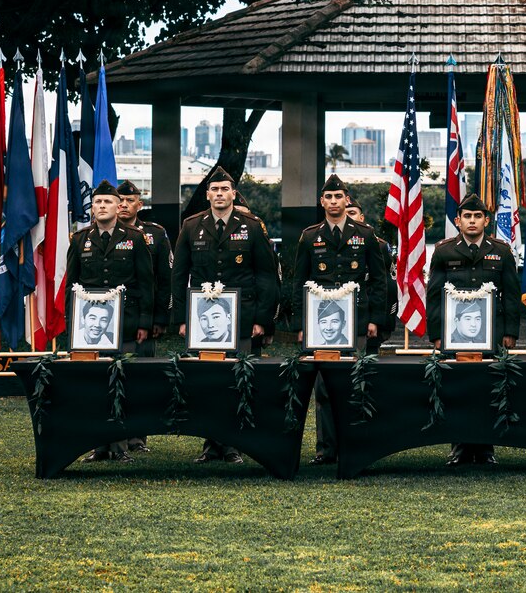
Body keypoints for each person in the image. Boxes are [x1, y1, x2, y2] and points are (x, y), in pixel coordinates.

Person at [172, 166, 279, 464]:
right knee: (209, 382)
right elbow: (179, 275)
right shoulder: (191, 226)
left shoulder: (252, 226)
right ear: (207, 195)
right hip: (204, 320)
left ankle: (234, 443)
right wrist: (181, 319)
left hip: (243, 318)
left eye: (224, 190)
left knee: (238, 381)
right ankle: (210, 443)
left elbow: (266, 277)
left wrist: (262, 319)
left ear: (233, 194)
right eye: (214, 190)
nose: (219, 194)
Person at [292, 174, 387, 465]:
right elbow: (299, 282)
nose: (334, 202)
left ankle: (355, 446)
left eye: (339, 197)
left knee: (355, 383)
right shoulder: (310, 236)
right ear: (322, 202)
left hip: (356, 320)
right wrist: (299, 324)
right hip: (321, 324)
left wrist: (375, 319)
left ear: (347, 200)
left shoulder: (366, 234)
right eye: (328, 197)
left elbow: (380, 280)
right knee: (323, 386)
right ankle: (326, 449)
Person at [427, 193, 520, 466]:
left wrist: (511, 332)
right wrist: (436, 335)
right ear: (458, 220)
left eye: (477, 216)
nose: (471, 221)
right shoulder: (444, 251)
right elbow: (434, 295)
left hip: (492, 332)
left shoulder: (501, 251)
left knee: (488, 388)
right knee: (458, 389)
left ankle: (486, 448)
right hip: (455, 336)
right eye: (467, 216)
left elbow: (512, 295)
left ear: (486, 220)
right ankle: (460, 448)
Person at [67, 180, 155, 463]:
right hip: (90, 328)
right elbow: (72, 284)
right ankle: (100, 445)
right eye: (97, 203)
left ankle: (119, 446)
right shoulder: (80, 240)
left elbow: (146, 283)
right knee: (97, 384)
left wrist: (144, 321)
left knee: (122, 384)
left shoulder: (135, 237)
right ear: (92, 208)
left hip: (125, 323)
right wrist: (72, 326)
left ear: (119, 207)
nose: (101, 207)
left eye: (107, 202)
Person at [116, 180, 173, 355]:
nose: (124, 205)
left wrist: (160, 318)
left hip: (145, 313)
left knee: (142, 369)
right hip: (107, 311)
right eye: (120, 200)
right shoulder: (100, 234)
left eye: (130, 200)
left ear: (139, 205)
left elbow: (165, 279)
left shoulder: (155, 233)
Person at [345, 199, 397, 353]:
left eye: (352, 213)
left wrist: (381, 323)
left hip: (369, 320)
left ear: (361, 218)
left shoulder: (378, 245)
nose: (348, 217)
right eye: (345, 214)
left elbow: (388, 287)